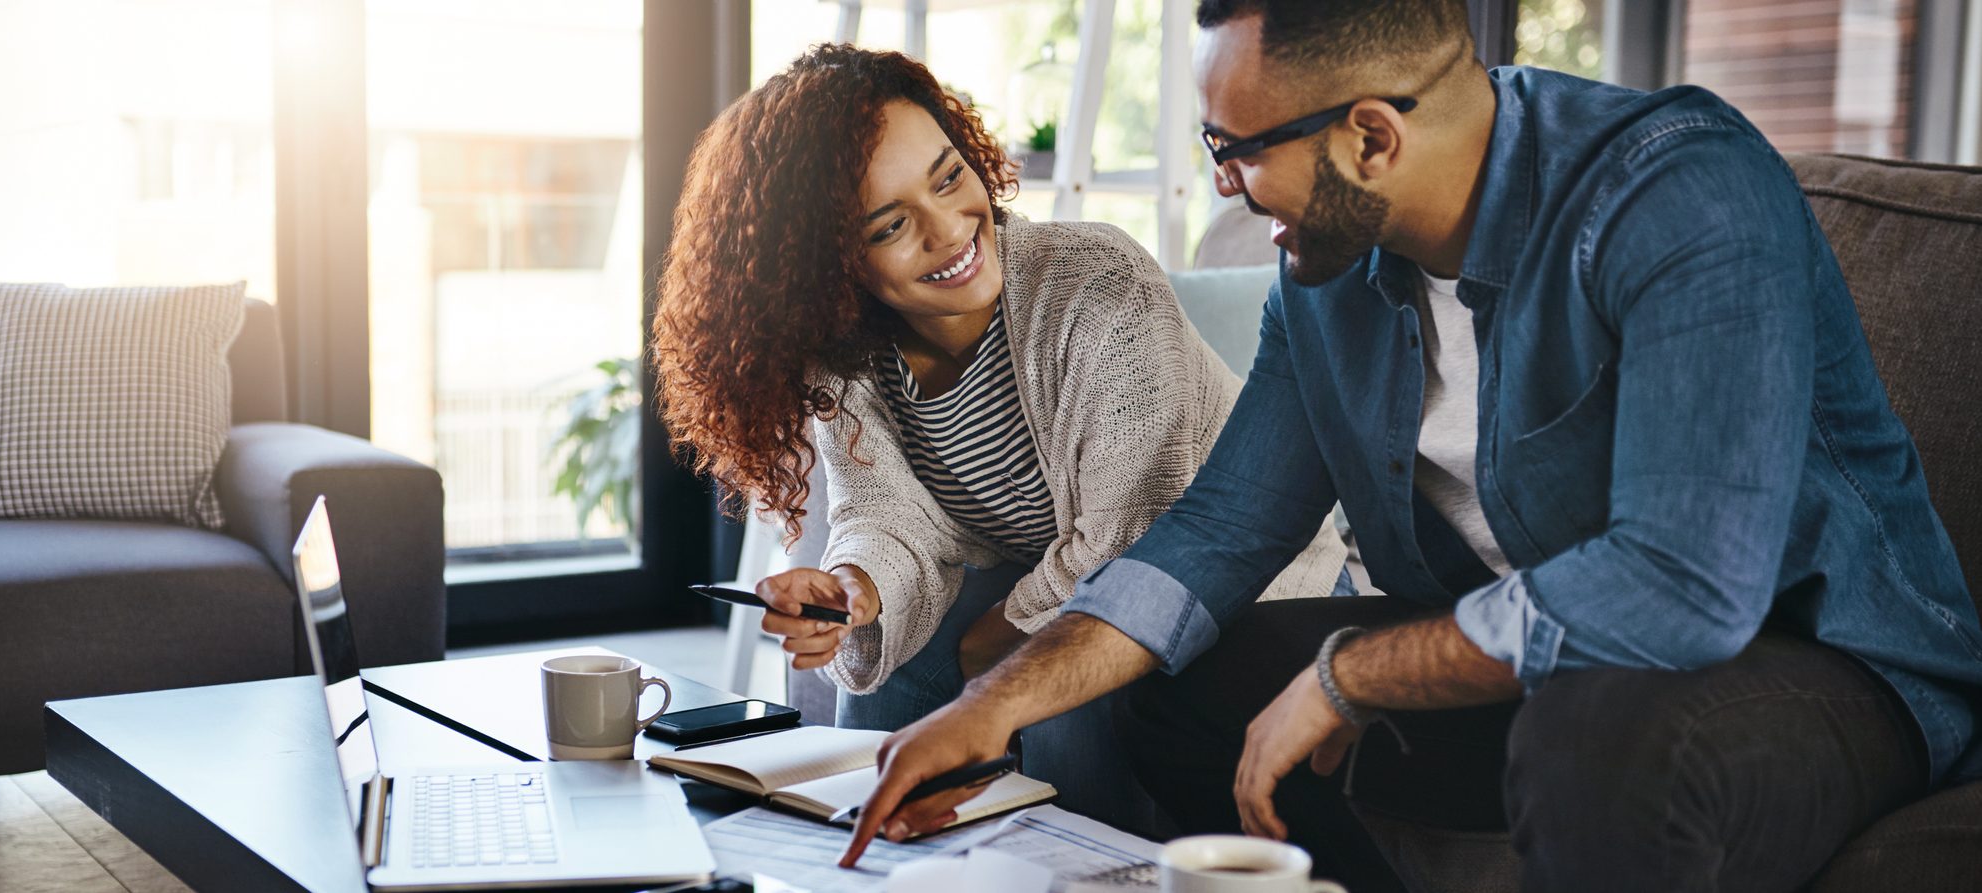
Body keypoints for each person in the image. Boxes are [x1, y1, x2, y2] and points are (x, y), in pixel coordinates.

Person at [840, 1, 1982, 890]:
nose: (1224, 182)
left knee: (1597, 732)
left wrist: (1350, 676)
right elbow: (1218, 533)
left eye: (1232, 147)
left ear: (1371, 135)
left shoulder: (1678, 194)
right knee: (1173, 685)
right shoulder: (1325, 275)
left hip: (1819, 666)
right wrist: (990, 700)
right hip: (1532, 655)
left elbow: (1682, 586)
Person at [649, 43, 1347, 830]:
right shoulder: (846, 356)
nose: (948, 230)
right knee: (892, 658)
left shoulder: (1096, 285)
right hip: (1060, 571)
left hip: (1233, 585)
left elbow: (1130, 544)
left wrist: (997, 651)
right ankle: (873, 850)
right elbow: (889, 518)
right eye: (890, 225)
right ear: (828, 267)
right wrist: (853, 588)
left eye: (948, 177)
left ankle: (1085, 874)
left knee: (1058, 689)